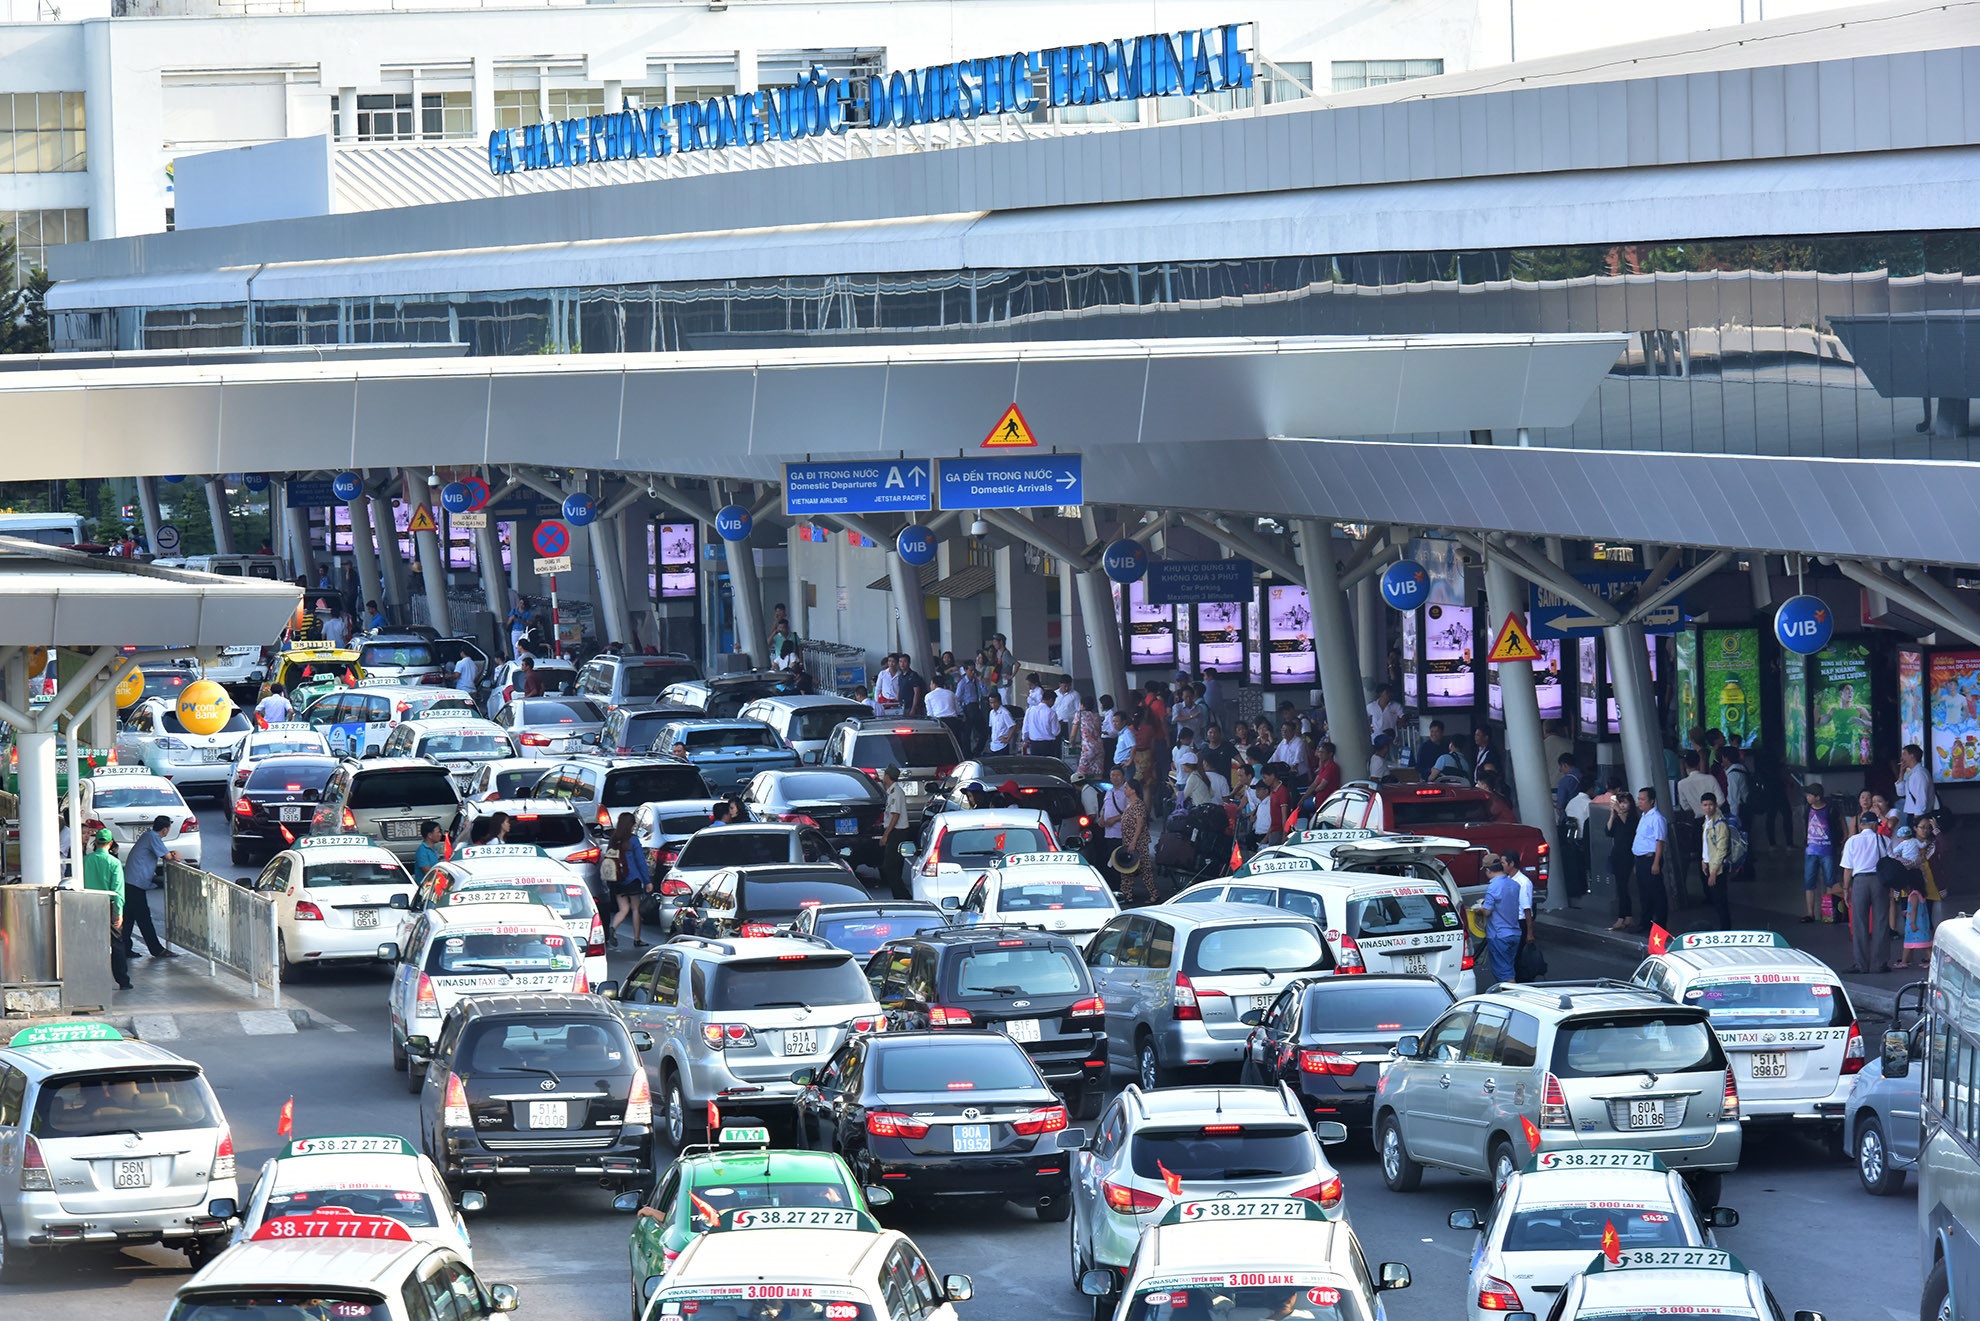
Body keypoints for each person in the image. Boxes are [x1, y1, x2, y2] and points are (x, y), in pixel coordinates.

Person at [119, 816, 178, 961]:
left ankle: (125, 948)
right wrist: (175, 855)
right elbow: (168, 856)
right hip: (135, 883)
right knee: (144, 918)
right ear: (166, 829)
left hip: (131, 881)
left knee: (129, 918)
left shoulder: (148, 836)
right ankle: (157, 950)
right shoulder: (153, 837)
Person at [1841, 811, 1889, 973]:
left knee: (1859, 922)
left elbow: (1848, 869)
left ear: (1861, 825)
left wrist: (1846, 889)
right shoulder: (1883, 839)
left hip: (1860, 882)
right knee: (1881, 921)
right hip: (1879, 882)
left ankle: (1861, 964)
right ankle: (1880, 964)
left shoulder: (1852, 842)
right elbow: (1890, 862)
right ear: (1875, 825)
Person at [83, 828, 131, 991]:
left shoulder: (86, 861)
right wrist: (119, 913)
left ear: (95, 843)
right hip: (108, 905)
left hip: (89, 904)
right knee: (116, 944)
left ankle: (92, 977)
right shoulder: (114, 863)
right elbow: (118, 891)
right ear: (110, 843)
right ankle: (123, 981)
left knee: (91, 943)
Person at [606, 812, 651, 948]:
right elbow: (640, 862)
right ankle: (637, 939)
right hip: (632, 879)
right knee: (635, 909)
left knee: (623, 909)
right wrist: (647, 881)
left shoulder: (613, 840)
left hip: (617, 879)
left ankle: (613, 927)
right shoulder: (633, 840)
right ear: (631, 825)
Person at [1480, 854, 1525, 986]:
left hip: (1499, 935)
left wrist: (1479, 909)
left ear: (1488, 871)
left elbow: (1487, 911)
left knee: (1504, 973)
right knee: (1509, 967)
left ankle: (1511, 998)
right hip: (1515, 933)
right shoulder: (1514, 884)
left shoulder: (1493, 887)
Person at [1801, 783, 1842, 923]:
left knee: (1830, 881)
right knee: (1809, 882)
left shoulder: (1830, 809)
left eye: (1810, 795)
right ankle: (1810, 913)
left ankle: (1830, 912)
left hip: (1827, 849)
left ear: (1818, 797)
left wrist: (1843, 838)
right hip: (1811, 850)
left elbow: (1839, 822)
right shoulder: (1807, 809)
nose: (1807, 797)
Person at [1631, 786, 1669, 932]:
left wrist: (1656, 863)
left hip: (1651, 858)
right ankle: (1645, 922)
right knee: (1644, 893)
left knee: (1657, 893)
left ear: (1651, 801)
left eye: (1642, 799)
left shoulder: (1657, 819)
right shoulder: (1644, 817)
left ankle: (1660, 925)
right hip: (1640, 859)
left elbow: (1660, 842)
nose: (1639, 802)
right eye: (1639, 799)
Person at [1606, 780, 1640, 932]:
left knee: (1623, 887)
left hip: (1627, 855)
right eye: (1620, 803)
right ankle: (1628, 917)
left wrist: (1619, 812)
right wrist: (1613, 814)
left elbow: (1628, 829)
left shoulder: (1633, 819)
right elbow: (1608, 831)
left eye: (1625, 803)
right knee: (1621, 887)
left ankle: (1622, 917)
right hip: (1616, 854)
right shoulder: (1618, 817)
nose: (1622, 806)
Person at [1699, 792, 1733, 930]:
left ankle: (1725, 928)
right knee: (1717, 900)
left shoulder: (1720, 824)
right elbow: (1706, 844)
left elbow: (1721, 849)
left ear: (1716, 805)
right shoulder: (1707, 822)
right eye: (1705, 805)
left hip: (1717, 868)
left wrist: (1713, 871)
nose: (1708, 808)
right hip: (1709, 864)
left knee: (1720, 900)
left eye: (1711, 805)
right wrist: (1703, 859)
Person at [879, 766, 913, 900]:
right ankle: (898, 896)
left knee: (890, 866)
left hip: (897, 833)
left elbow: (895, 815)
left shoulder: (896, 792)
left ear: (887, 776)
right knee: (895, 866)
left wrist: (886, 835)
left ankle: (903, 896)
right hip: (896, 832)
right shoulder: (892, 792)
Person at [923, 677, 965, 752]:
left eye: (931, 684)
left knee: (942, 745)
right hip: (953, 721)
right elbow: (958, 710)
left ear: (934, 684)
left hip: (939, 722)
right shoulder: (951, 693)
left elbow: (930, 714)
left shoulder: (928, 696)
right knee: (956, 743)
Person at [1899, 884, 1933, 968]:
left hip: (1915, 925)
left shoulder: (1914, 895)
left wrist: (1913, 923)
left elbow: (1914, 909)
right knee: (1923, 944)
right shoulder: (1919, 894)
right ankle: (1904, 961)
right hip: (1921, 924)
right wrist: (1908, 911)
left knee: (1911, 943)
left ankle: (1904, 962)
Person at [1899, 743, 1934, 826]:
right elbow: (1901, 793)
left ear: (1912, 756)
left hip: (1918, 815)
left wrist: (1917, 818)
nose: (1902, 758)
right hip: (1912, 813)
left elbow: (1921, 797)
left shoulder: (1920, 774)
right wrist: (1901, 773)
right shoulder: (1911, 773)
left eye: (1904, 754)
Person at [1021, 687, 1062, 756]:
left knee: (1036, 765)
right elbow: (1055, 732)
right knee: (1048, 765)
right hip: (1048, 744)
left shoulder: (1030, 710)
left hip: (1034, 744)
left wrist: (1024, 740)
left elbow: (1025, 728)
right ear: (1051, 700)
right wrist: (1060, 725)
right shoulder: (1051, 712)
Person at [1072, 694, 1104, 780]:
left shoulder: (1079, 714)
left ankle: (1083, 790)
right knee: (1098, 772)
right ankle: (1099, 791)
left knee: (1081, 773)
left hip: (1088, 747)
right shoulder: (1097, 716)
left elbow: (1073, 734)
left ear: (1083, 705)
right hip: (1099, 746)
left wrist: (1072, 743)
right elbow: (1099, 732)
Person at [985, 690, 1016, 754]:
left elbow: (1013, 726)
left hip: (1002, 746)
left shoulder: (1005, 713)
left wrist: (1008, 739)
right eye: (991, 703)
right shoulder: (991, 713)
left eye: (994, 702)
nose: (993, 705)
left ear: (999, 702)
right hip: (993, 745)